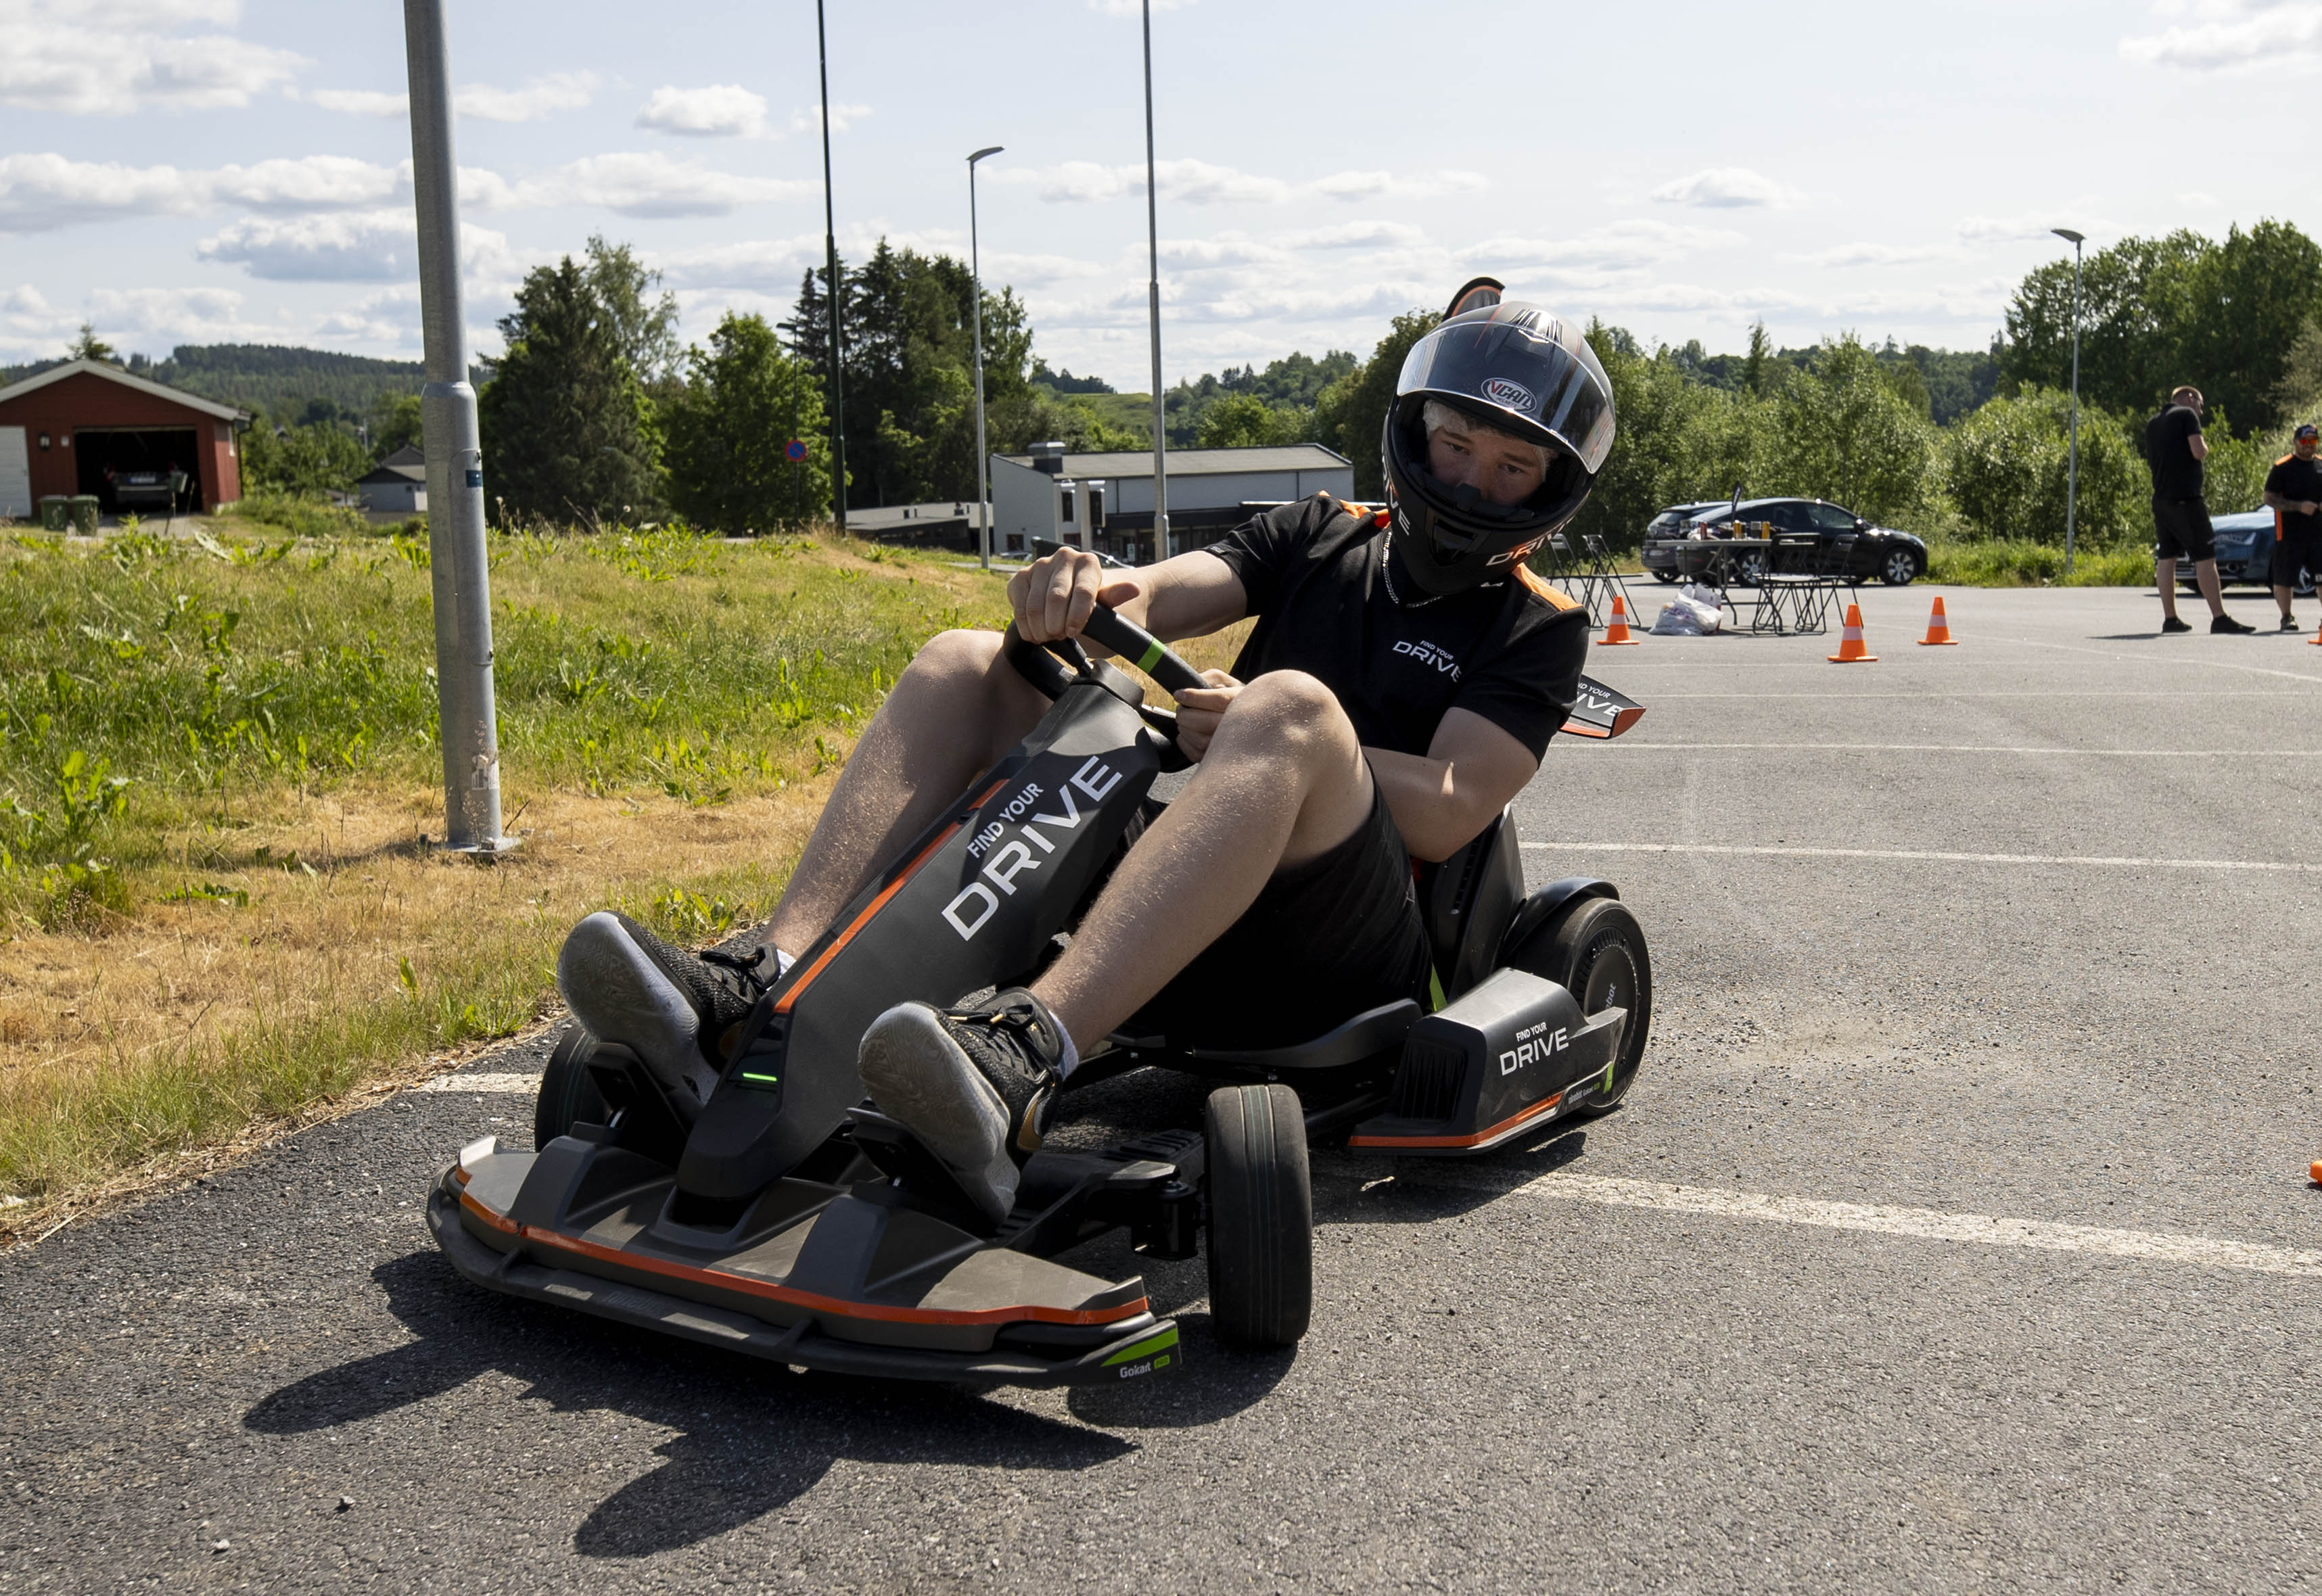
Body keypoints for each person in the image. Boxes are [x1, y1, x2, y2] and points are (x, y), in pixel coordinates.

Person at [555, 298, 1613, 1218]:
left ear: (1549, 491)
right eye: (1456, 445)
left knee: (1291, 707)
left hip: (1348, 958)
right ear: (1413, 431)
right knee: (964, 659)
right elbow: (1158, 591)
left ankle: (1030, 1049)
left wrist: (1269, 725)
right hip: (1179, 897)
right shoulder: (1320, 535)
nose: (1474, 480)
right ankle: (764, 978)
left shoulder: (1537, 626)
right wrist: (1086, 591)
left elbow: (1451, 806)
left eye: (1513, 468)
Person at [2143, 385, 2252, 634]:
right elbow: (2198, 451)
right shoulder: (2186, 415)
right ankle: (2219, 617)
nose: (2200, 413)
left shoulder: (2153, 423)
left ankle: (2170, 618)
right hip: (2186, 499)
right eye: (2200, 406)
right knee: (2205, 556)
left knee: (2167, 557)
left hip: (2161, 499)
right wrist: (2205, 448)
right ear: (2190, 399)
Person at [2265, 423, 2322, 632]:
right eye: (2304, 441)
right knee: (2286, 577)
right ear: (2295, 442)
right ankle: (2287, 617)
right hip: (2290, 532)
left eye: (2313, 441)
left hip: (2318, 530)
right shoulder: (2282, 467)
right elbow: (2269, 498)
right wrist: (2298, 507)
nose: (2308, 445)